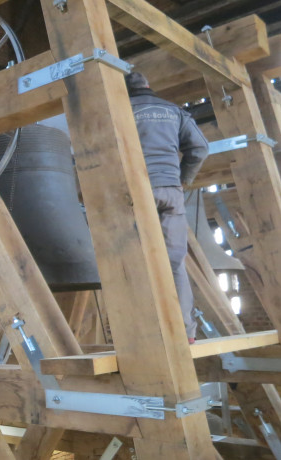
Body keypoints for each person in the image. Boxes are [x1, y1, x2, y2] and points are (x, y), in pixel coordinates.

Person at [125, 71, 209, 343]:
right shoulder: (173, 111)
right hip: (171, 191)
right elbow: (200, 148)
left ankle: (143, 334)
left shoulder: (120, 109)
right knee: (175, 263)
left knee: (133, 261)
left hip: (136, 191)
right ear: (149, 86)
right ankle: (186, 333)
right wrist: (183, 180)